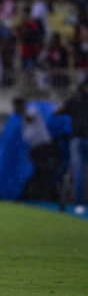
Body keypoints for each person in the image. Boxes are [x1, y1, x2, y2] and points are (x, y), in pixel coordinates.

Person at [15, 97, 59, 201]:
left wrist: (22, 111)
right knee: (39, 171)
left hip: (42, 145)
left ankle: (49, 196)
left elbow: (30, 119)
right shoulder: (23, 115)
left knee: (44, 171)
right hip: (35, 147)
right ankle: (42, 195)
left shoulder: (31, 109)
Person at [54, 79, 88, 214]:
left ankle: (79, 203)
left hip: (77, 139)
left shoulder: (74, 101)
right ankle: (79, 202)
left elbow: (57, 112)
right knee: (78, 174)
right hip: (81, 138)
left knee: (77, 173)